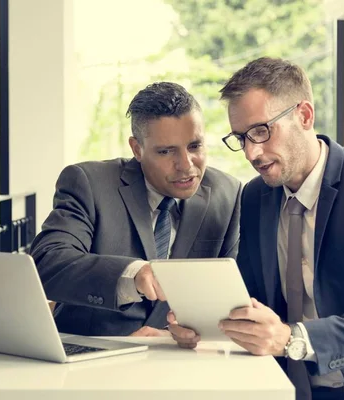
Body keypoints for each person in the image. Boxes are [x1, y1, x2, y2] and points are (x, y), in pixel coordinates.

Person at [168, 57, 344, 400]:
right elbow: (253, 298)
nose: (251, 153)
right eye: (241, 138)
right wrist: (200, 321)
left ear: (304, 115)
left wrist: (294, 339)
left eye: (261, 131)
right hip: (285, 387)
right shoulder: (257, 195)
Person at [30, 82, 242, 337]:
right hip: (94, 356)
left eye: (195, 146)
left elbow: (234, 299)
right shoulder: (89, 183)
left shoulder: (228, 193)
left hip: (181, 360)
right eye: (166, 151)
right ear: (137, 149)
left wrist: (188, 334)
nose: (186, 165)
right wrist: (134, 275)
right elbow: (48, 263)